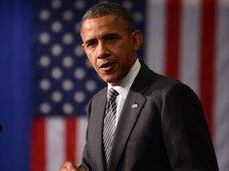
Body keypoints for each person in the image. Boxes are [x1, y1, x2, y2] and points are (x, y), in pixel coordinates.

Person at [60, 2, 219, 171]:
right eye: (92, 44)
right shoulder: (96, 103)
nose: (101, 52)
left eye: (111, 38)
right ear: (85, 50)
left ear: (135, 40)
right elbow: (94, 165)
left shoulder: (169, 95)